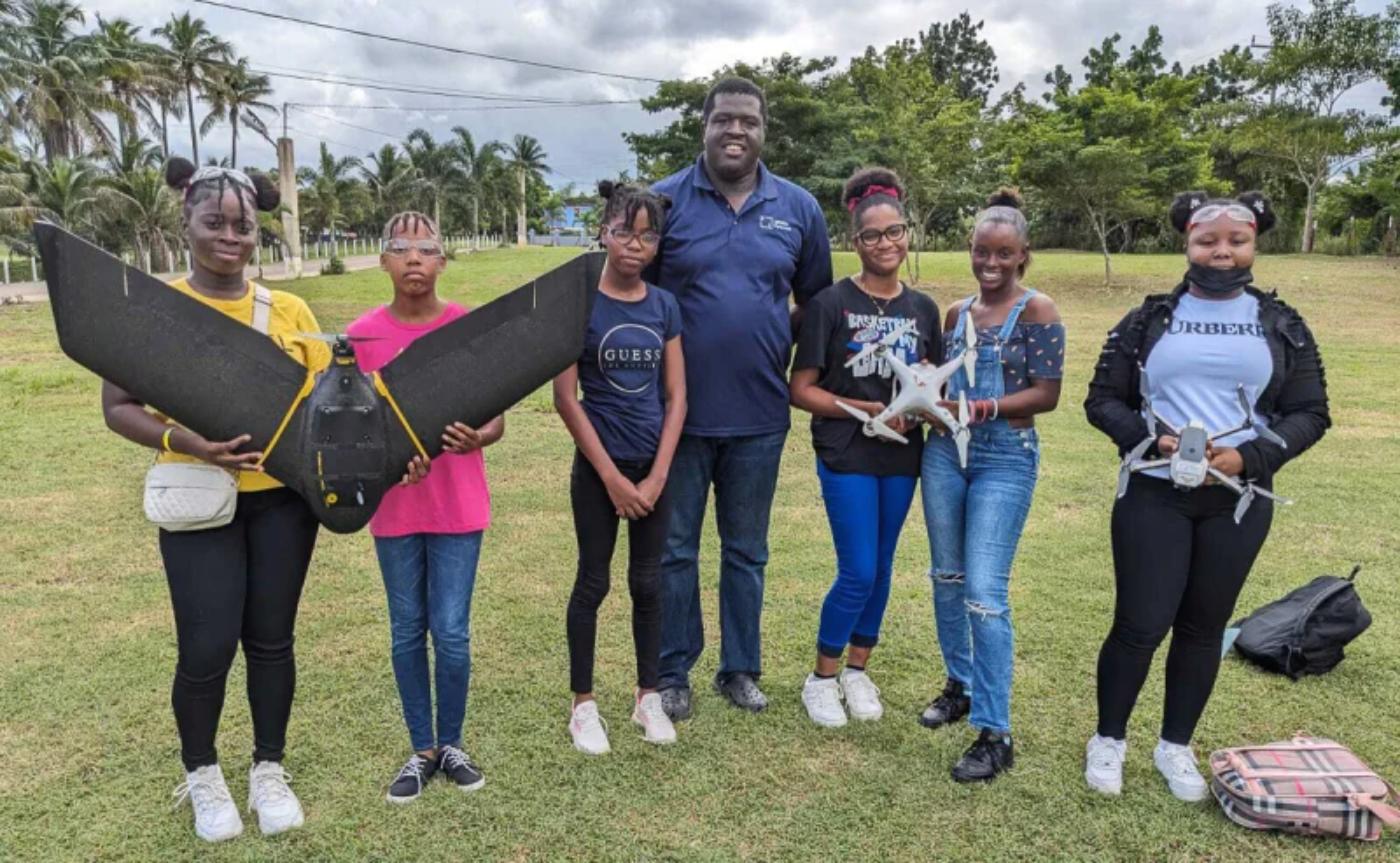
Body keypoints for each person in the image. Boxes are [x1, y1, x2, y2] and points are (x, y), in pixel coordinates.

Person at [100, 158, 331, 842]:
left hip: (282, 503)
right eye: (214, 222)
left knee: (271, 640)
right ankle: (202, 773)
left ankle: (268, 768)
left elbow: (321, 405)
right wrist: (193, 442)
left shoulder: (288, 311)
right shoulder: (158, 311)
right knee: (206, 645)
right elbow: (118, 406)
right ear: (186, 222)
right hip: (200, 499)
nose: (230, 236)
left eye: (242, 225)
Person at [1083, 191, 1330, 801]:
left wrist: (1249, 456)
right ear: (1186, 243)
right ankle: (1108, 740)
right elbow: (1101, 399)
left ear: (1254, 245)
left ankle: (1174, 747)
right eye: (1207, 240)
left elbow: (1312, 412)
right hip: (1153, 491)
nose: (1222, 252)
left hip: (1239, 497)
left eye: (1236, 241)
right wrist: (1153, 440)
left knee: (1203, 627)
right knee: (1140, 624)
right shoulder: (1148, 319)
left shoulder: (1282, 324)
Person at [649, 76, 834, 719]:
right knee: (675, 549)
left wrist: (789, 364)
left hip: (759, 414)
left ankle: (741, 668)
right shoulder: (665, 202)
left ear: (763, 131)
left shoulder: (799, 208)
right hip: (677, 416)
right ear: (703, 126)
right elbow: (631, 298)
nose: (736, 131)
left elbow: (817, 304)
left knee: (746, 549)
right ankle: (672, 672)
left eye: (748, 122)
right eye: (723, 119)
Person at [346, 211, 503, 803]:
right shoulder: (360, 335)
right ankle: (421, 750)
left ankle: (453, 741)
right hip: (394, 508)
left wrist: (477, 438)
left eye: (426, 248)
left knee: (453, 632)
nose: (414, 258)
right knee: (408, 630)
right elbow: (347, 431)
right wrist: (385, 458)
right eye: (400, 249)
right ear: (382, 261)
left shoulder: (466, 328)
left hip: (458, 505)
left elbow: (496, 416)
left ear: (443, 261)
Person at [919, 189, 1064, 783]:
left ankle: (996, 731)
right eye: (982, 251)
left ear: (1023, 256)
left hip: (1005, 456)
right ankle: (961, 684)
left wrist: (983, 407)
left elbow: (1047, 395)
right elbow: (936, 385)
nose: (991, 263)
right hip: (944, 456)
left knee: (984, 590)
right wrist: (928, 404)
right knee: (947, 578)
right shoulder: (954, 314)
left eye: (1004, 254)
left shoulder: (1037, 311)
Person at [789, 169, 939, 728]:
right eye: (873, 235)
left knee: (882, 566)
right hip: (846, 451)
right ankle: (822, 678)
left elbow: (931, 384)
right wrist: (865, 411)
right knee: (857, 568)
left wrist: (917, 409)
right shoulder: (830, 304)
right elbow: (800, 389)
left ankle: (857, 670)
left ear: (907, 234)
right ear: (856, 241)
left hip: (902, 454)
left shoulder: (923, 309)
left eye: (894, 231)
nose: (886, 243)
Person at [553, 181, 686, 754]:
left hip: (653, 466)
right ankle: (583, 706)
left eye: (648, 234)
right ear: (604, 231)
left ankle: (647, 697)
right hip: (598, 470)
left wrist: (655, 477)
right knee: (593, 581)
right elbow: (566, 397)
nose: (635, 244)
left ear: (658, 243)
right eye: (625, 230)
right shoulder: (580, 302)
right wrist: (610, 477)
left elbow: (677, 396)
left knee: (649, 583)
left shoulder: (663, 305)